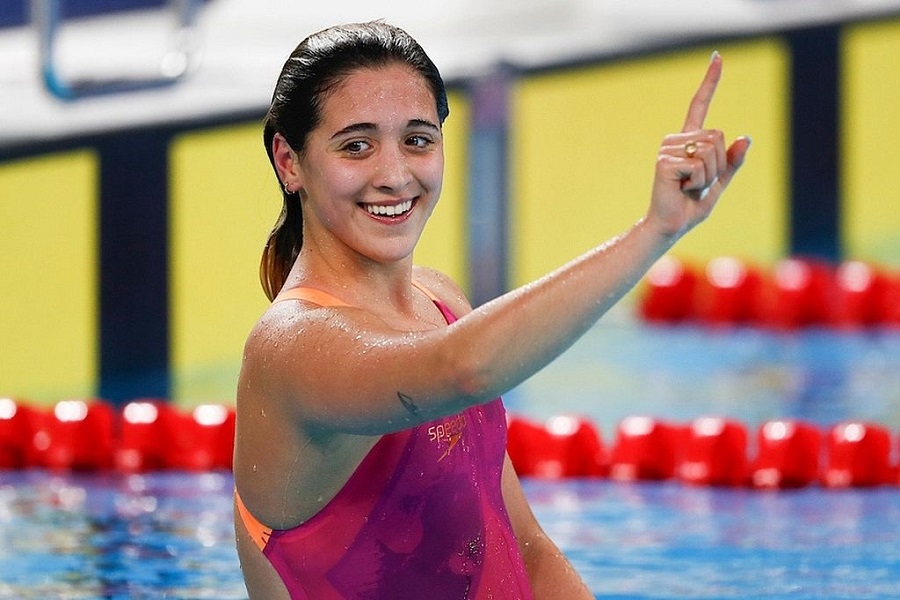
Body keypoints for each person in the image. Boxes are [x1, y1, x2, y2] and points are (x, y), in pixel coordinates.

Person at [232, 20, 750, 600]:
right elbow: (463, 368)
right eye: (356, 145)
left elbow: (529, 551)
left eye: (418, 139)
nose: (395, 174)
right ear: (289, 161)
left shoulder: (442, 303)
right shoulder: (290, 347)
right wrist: (653, 232)